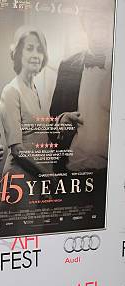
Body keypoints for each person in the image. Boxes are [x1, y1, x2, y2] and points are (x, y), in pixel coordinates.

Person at [50, 0, 114, 175]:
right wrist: (61, 121)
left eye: (104, 16)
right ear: (84, 22)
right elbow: (52, 119)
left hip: (112, 175)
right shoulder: (67, 66)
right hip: (72, 169)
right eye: (92, 16)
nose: (98, 21)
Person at [0, 26, 50, 190]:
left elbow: (41, 130)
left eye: (40, 50)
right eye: (30, 48)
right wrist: (47, 176)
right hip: (19, 181)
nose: (36, 55)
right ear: (19, 53)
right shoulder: (11, 91)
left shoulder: (37, 90)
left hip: (39, 178)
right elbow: (17, 150)